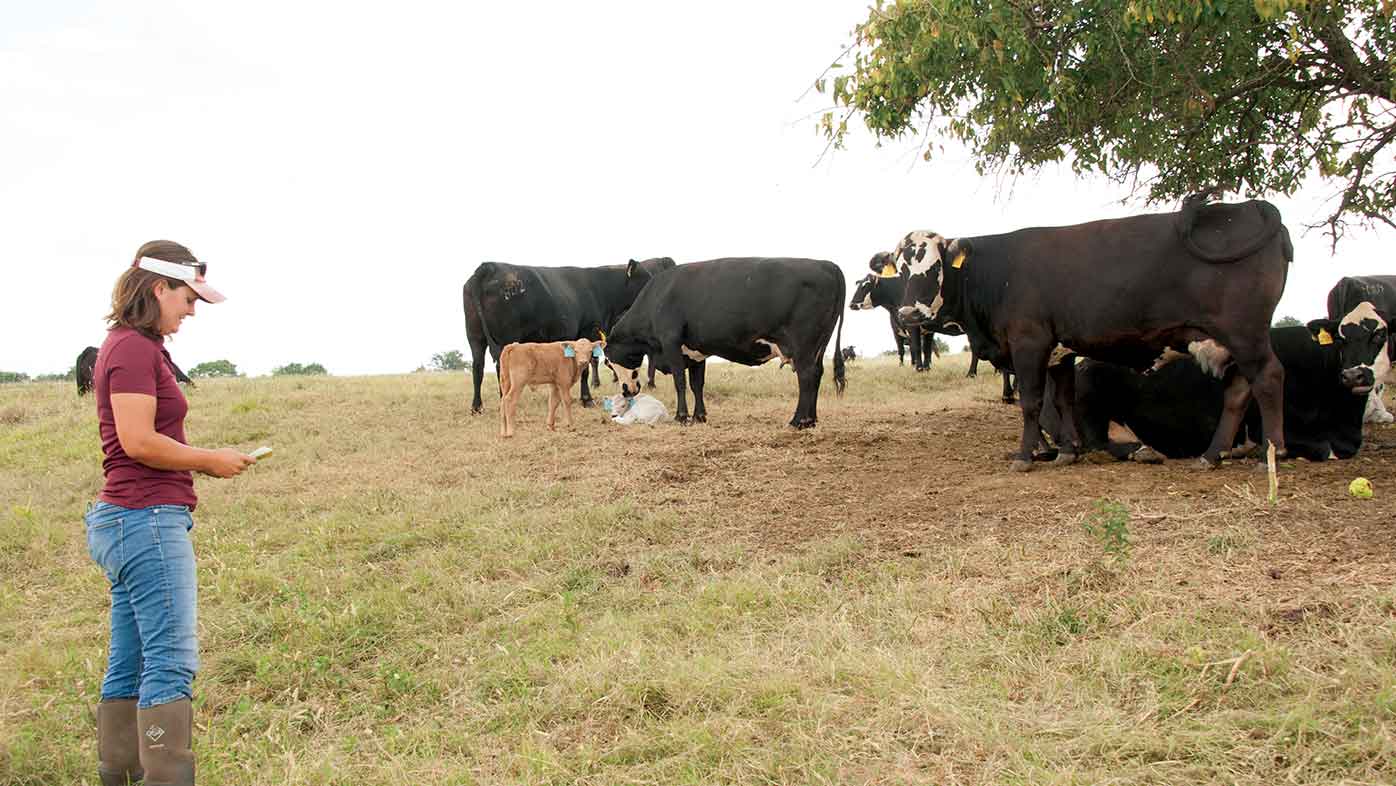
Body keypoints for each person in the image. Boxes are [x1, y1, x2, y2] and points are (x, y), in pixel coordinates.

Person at [86, 240, 255, 786]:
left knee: (130, 659)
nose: (192, 309)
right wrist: (209, 460)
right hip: (146, 519)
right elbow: (138, 441)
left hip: (127, 517)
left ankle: (121, 773)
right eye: (187, 297)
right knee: (170, 661)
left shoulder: (131, 346)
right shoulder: (134, 349)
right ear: (158, 288)